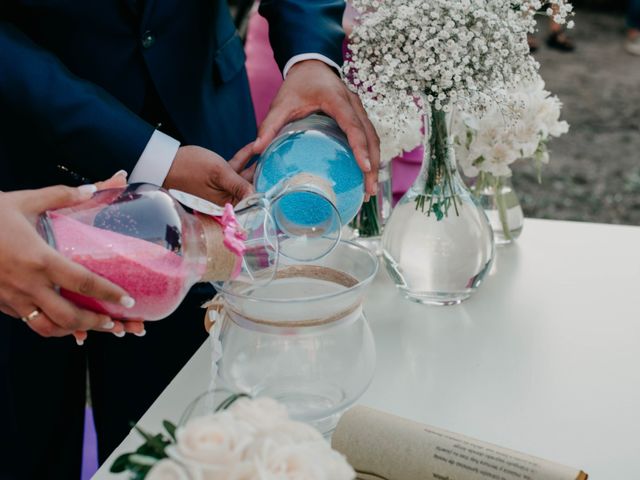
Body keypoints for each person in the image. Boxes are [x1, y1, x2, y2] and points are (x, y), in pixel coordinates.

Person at [0, 1, 379, 478]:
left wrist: (309, 57)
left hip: (206, 132)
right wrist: (151, 156)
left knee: (189, 432)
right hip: (18, 178)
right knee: (25, 435)